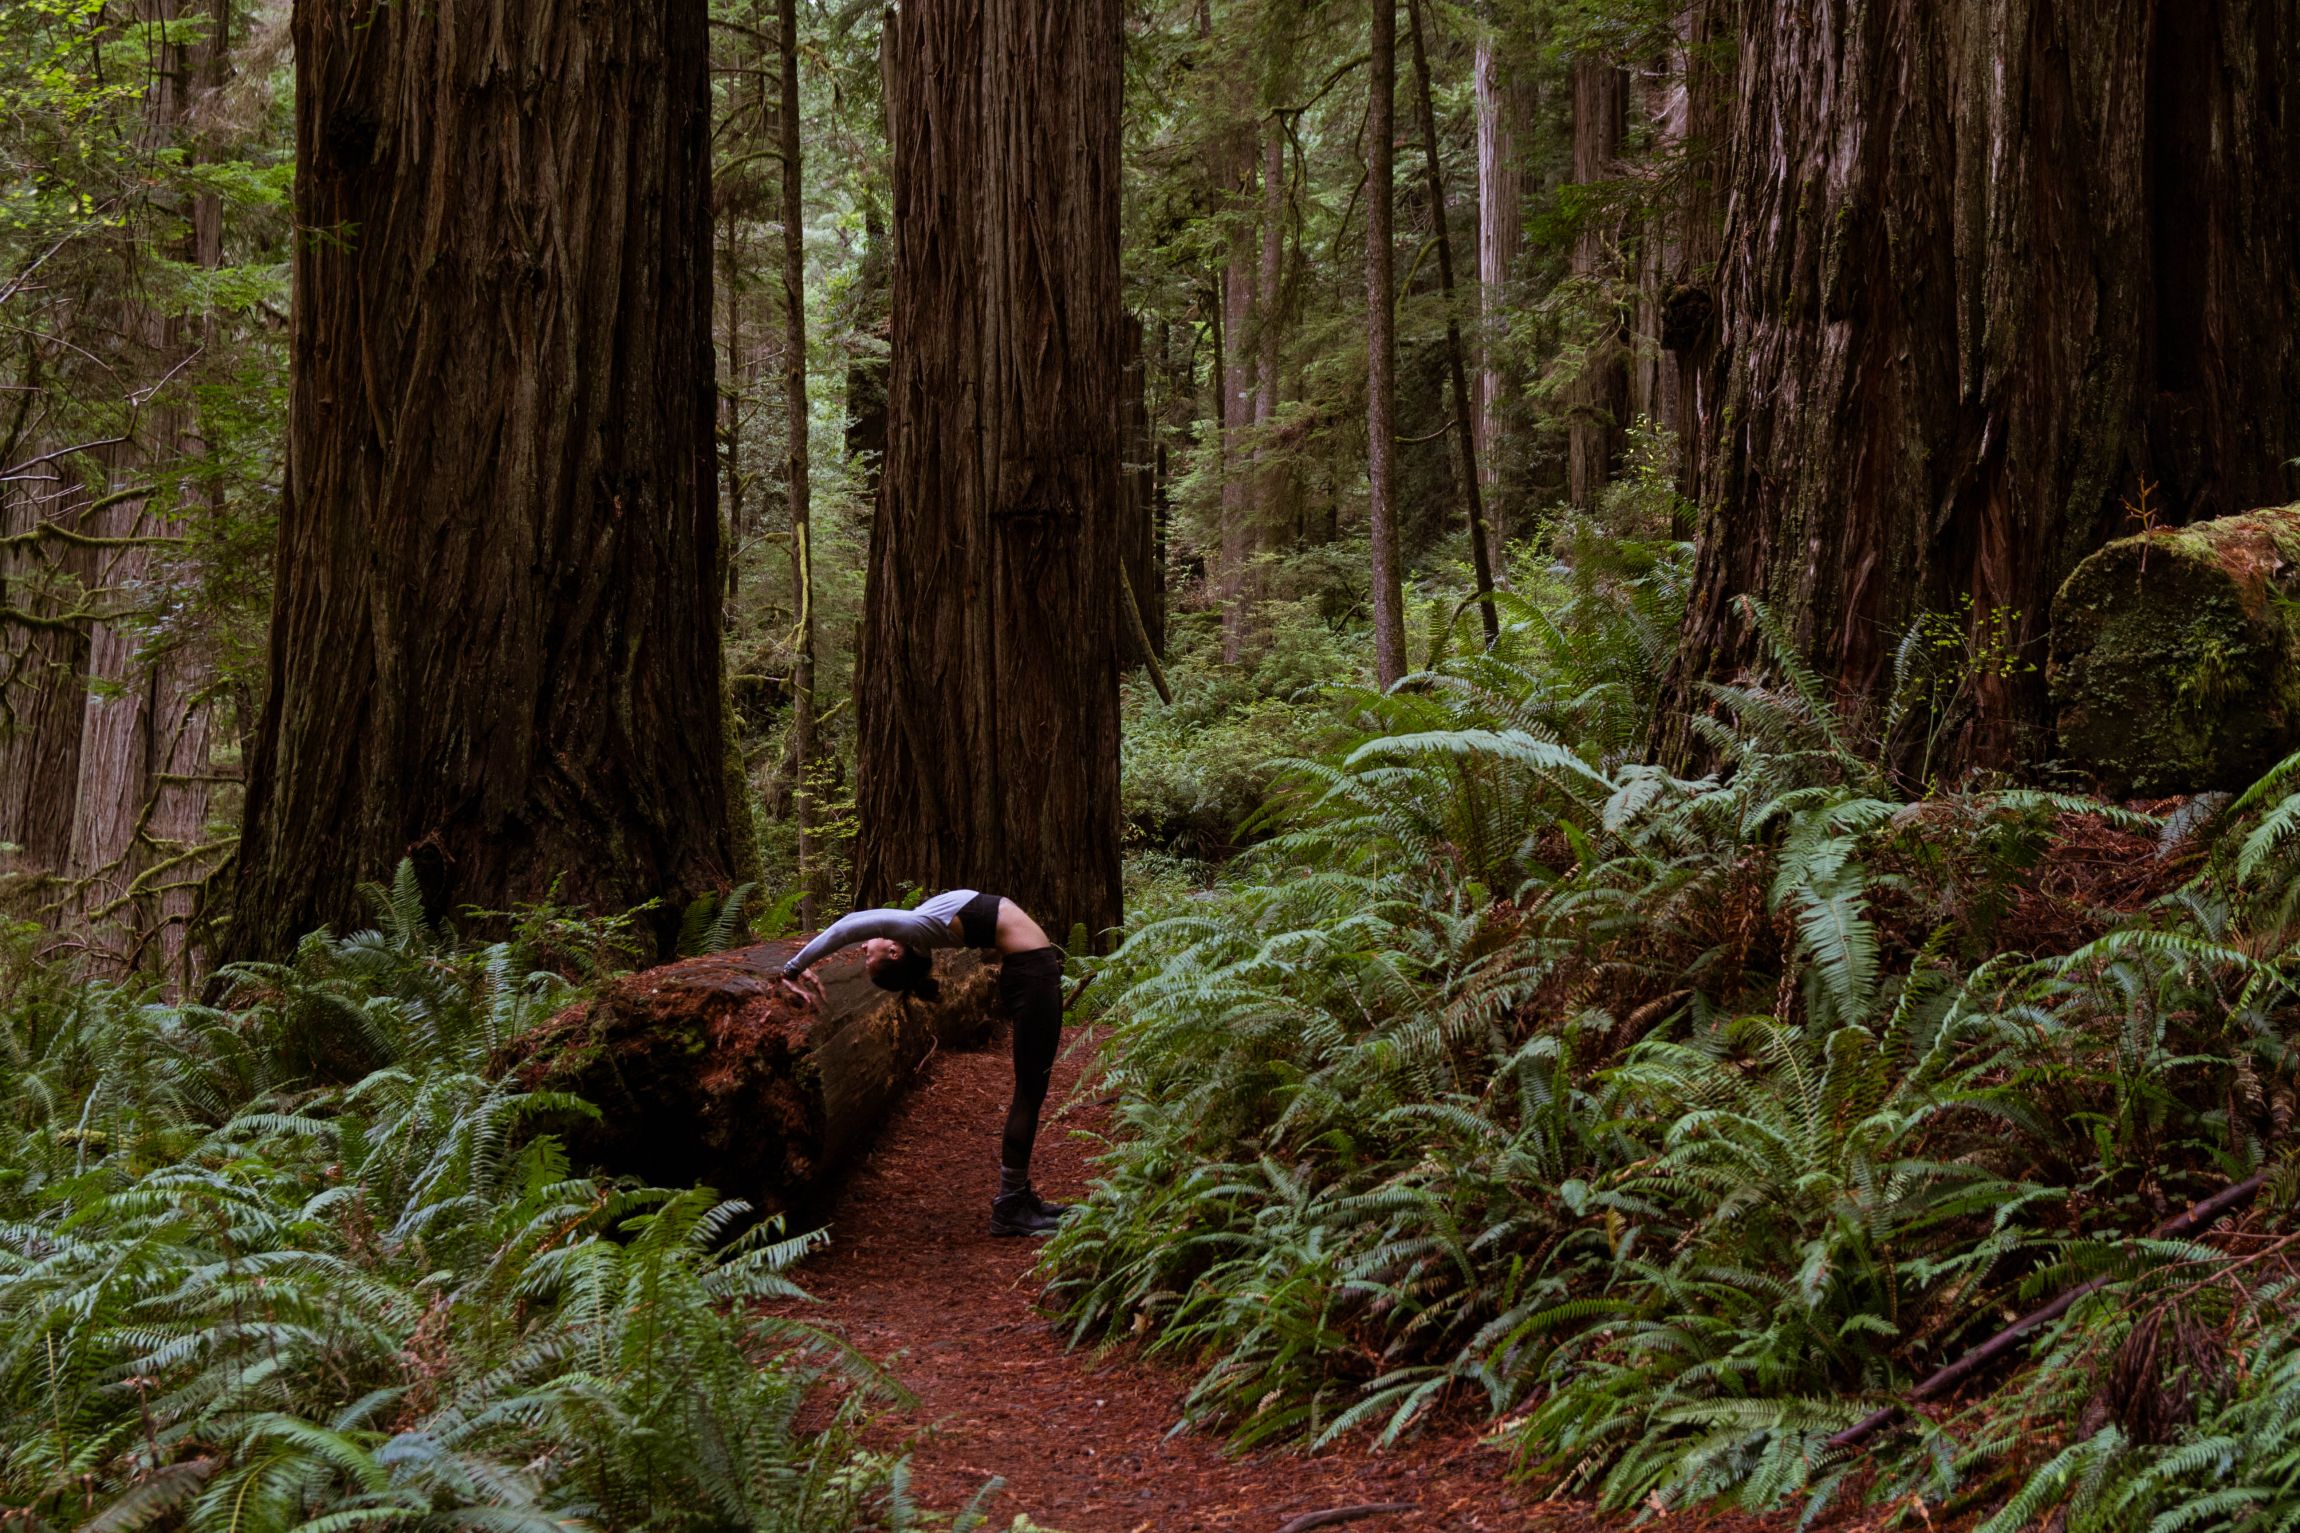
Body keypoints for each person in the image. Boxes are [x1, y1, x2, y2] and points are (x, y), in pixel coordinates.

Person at [780, 890, 1071, 1236]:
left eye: (865, 959)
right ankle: (1011, 1205)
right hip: (1033, 977)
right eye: (869, 959)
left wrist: (799, 964)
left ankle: (1018, 1197)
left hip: (1032, 974)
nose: (861, 950)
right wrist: (793, 968)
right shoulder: (919, 926)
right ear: (894, 950)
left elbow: (850, 924)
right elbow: (848, 928)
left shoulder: (920, 921)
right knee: (1030, 1092)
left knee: (1032, 1090)